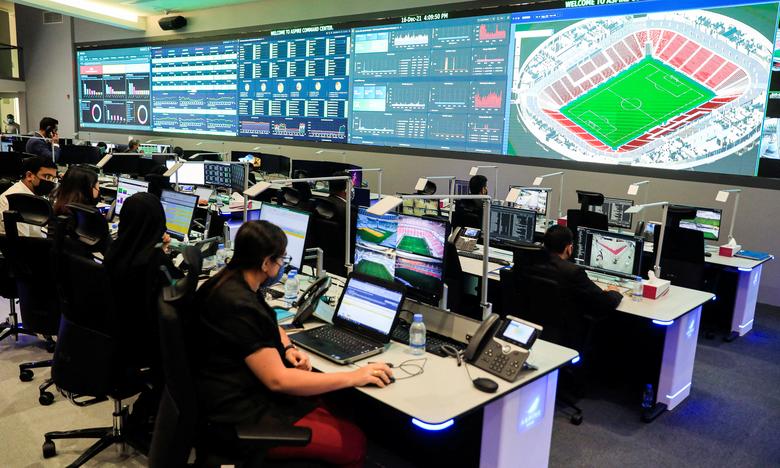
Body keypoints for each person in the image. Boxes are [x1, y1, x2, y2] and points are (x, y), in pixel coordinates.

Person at [197, 220, 392, 467]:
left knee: (333, 403)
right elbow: (278, 380)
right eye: (280, 261)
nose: (281, 267)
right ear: (265, 262)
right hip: (240, 416)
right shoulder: (239, 306)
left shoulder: (229, 281)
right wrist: (355, 376)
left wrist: (288, 346)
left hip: (229, 394)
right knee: (352, 442)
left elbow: (266, 321)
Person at [530, 225, 623, 316]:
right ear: (569, 248)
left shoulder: (530, 261)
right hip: (566, 325)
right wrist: (614, 292)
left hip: (535, 316)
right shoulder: (573, 272)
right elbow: (605, 302)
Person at [0, 156, 57, 237]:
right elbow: (23, 241)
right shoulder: (15, 200)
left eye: (53, 178)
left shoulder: (33, 194)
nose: (51, 182)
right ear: (29, 176)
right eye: (47, 177)